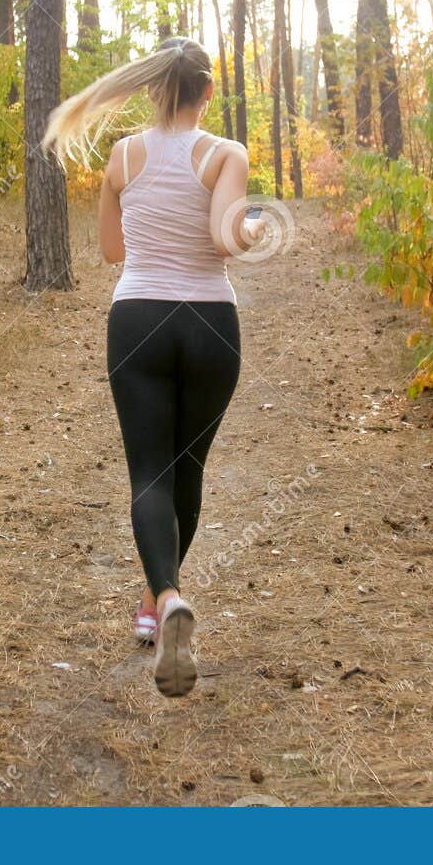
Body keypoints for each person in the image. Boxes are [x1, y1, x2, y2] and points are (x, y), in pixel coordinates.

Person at [44, 38, 262, 698]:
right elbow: (226, 239)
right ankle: (162, 597)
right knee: (187, 471)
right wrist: (250, 228)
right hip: (208, 325)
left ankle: (162, 598)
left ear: (152, 91)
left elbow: (112, 252)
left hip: (137, 320)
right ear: (207, 93)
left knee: (149, 473)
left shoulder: (121, 156)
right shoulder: (226, 155)